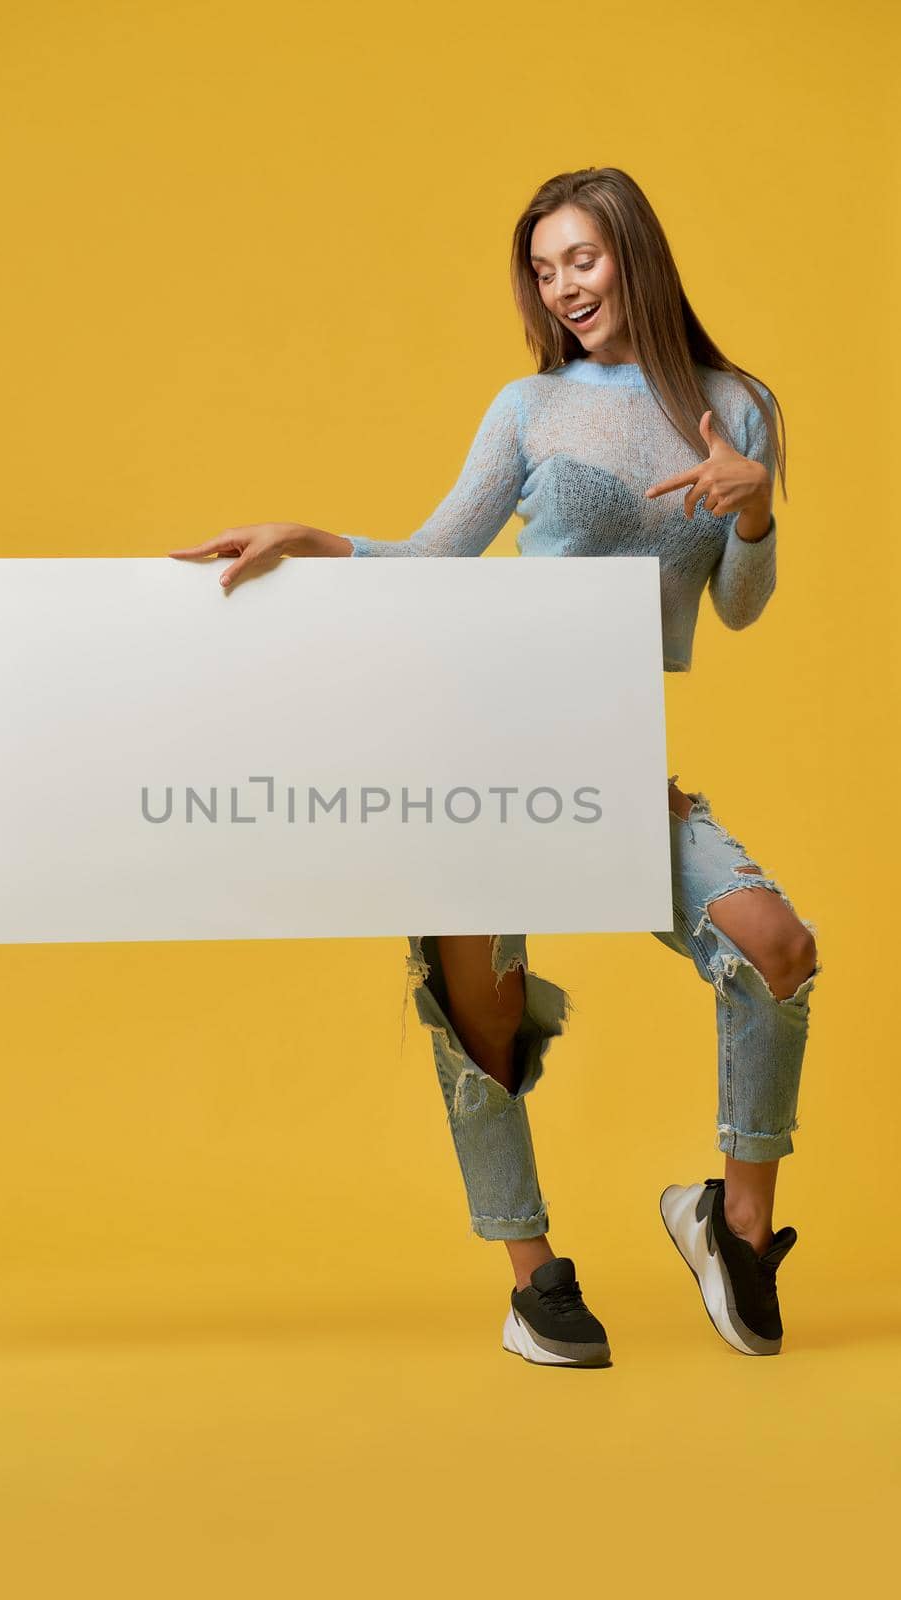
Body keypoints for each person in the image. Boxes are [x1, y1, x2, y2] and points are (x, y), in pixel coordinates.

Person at [168, 166, 820, 1368]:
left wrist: (752, 509)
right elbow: (435, 557)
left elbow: (736, 609)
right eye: (541, 267)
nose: (561, 285)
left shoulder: (739, 405)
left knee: (771, 946)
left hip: (608, 750)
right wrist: (310, 539)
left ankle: (732, 1224)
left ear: (633, 252)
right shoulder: (527, 408)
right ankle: (532, 1277)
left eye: (581, 257)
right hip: (483, 736)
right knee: (482, 1011)